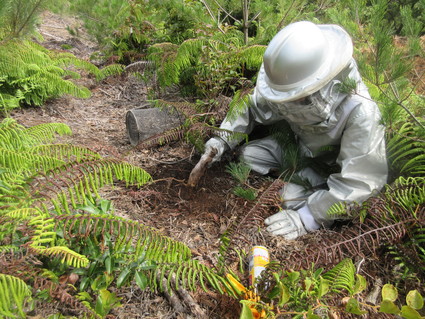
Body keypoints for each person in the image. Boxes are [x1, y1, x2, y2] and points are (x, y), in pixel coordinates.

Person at [200, 21, 388, 240]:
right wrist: (221, 141)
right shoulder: (289, 82)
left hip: (329, 169)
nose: (291, 102)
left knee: (289, 199)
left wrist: (307, 217)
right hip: (299, 149)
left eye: (297, 98)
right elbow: (251, 106)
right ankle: (291, 177)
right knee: (249, 156)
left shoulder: (362, 112)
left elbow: (359, 182)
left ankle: (304, 195)